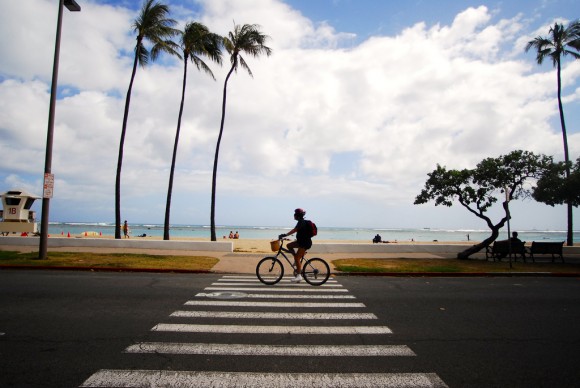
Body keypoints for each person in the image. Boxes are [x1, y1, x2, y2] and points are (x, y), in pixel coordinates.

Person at [279, 208, 312, 283]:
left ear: (298, 215)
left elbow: (294, 230)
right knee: (289, 246)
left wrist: (285, 235)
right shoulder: (300, 222)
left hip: (304, 243)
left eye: (295, 214)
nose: (294, 215)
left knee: (297, 258)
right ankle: (297, 259)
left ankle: (299, 276)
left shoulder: (301, 222)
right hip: (300, 242)